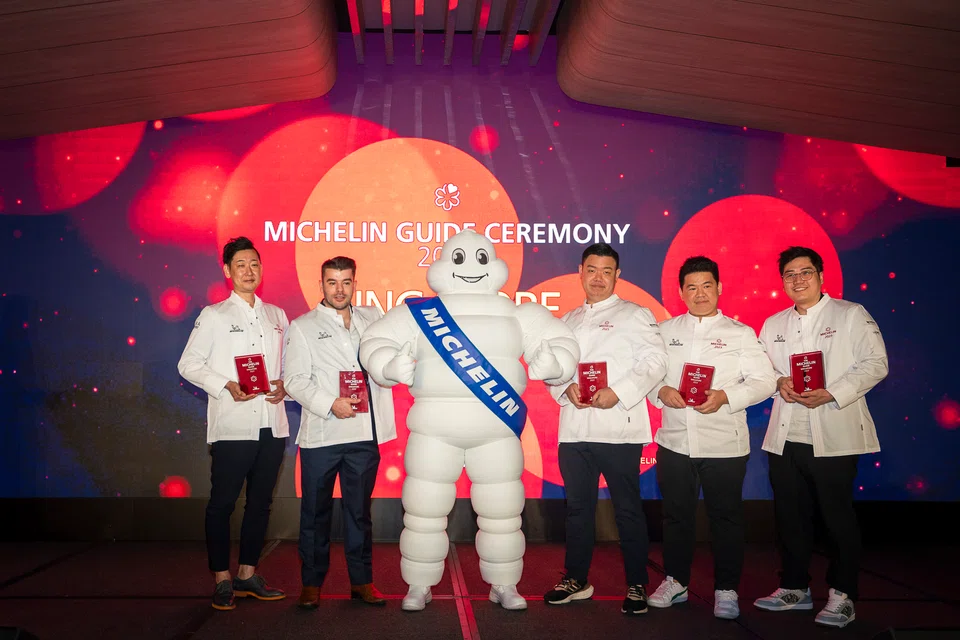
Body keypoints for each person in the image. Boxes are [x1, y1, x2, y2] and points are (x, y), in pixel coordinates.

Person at [359, 230, 579, 612]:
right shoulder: (419, 313)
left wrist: (556, 363)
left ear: (494, 265)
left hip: (496, 433)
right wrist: (387, 365)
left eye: (481, 258)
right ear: (444, 265)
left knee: (503, 513)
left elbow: (562, 340)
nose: (471, 267)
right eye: (460, 259)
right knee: (423, 512)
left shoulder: (517, 313)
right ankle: (419, 585)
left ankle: (504, 584)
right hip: (433, 430)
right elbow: (374, 341)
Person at [754, 246, 888, 629]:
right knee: (790, 517)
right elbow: (760, 369)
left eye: (805, 272)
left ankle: (843, 595)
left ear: (821, 276)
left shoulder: (850, 314)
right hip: (786, 436)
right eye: (790, 275)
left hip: (834, 432)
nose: (798, 280)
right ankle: (794, 587)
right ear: (782, 282)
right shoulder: (774, 324)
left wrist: (833, 392)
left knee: (836, 518)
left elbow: (876, 363)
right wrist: (778, 381)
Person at [646, 256, 776, 619]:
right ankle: (675, 581)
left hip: (724, 444)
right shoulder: (664, 331)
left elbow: (765, 381)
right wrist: (661, 390)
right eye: (692, 287)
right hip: (674, 442)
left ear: (719, 288)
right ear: (681, 292)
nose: (699, 293)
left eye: (706, 286)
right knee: (676, 517)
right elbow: (649, 375)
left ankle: (726, 590)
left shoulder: (740, 333)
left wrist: (725, 397)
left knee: (726, 518)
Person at [543, 242, 668, 615]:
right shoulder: (566, 320)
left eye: (606, 271)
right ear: (580, 272)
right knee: (577, 509)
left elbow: (656, 361)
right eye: (592, 270)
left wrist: (619, 392)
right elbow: (554, 369)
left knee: (627, 509)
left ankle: (637, 584)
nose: (598, 278)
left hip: (619, 429)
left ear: (617, 275)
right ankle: (576, 579)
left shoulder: (635, 314)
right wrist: (565, 387)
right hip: (575, 430)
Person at [177, 236, 289, 611]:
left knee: (260, 504)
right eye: (241, 264)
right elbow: (188, 364)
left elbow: (289, 366)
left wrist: (285, 386)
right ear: (227, 271)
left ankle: (247, 574)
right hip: (233, 426)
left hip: (271, 425)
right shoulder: (214, 315)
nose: (249, 270)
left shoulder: (278, 316)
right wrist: (226, 384)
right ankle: (222, 579)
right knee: (222, 504)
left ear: (262, 268)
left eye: (254, 263)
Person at [283, 256, 398, 609]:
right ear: (321, 285)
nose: (339, 289)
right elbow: (294, 381)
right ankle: (311, 584)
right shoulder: (303, 326)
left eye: (346, 282)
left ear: (354, 284)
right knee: (315, 513)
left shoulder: (373, 318)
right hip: (323, 436)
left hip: (364, 435)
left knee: (359, 513)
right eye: (332, 282)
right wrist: (330, 403)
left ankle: (362, 582)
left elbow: (387, 361)